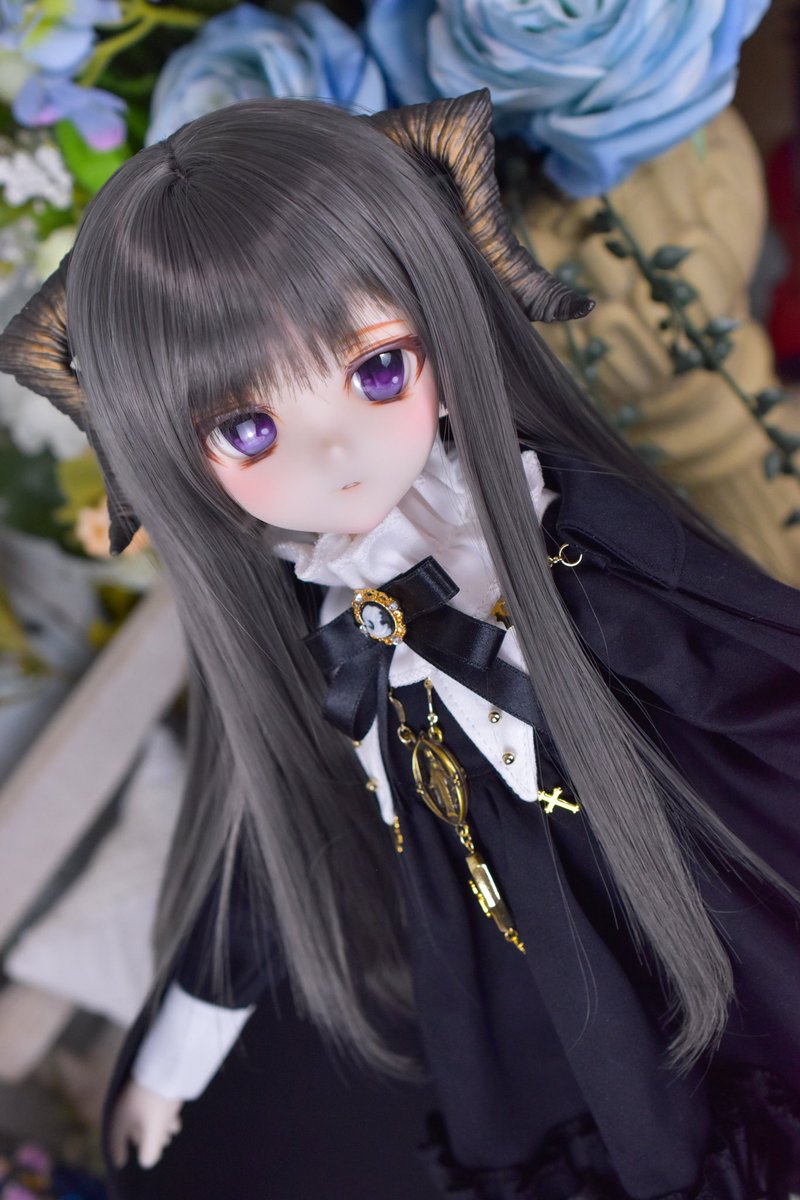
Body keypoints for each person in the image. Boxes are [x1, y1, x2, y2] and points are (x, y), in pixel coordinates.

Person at [3, 89, 800, 1200]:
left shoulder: (552, 526)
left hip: (695, 887)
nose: (335, 455)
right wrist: (176, 1053)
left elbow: (751, 673)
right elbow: (287, 839)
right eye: (247, 429)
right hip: (521, 986)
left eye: (377, 368)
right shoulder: (313, 622)